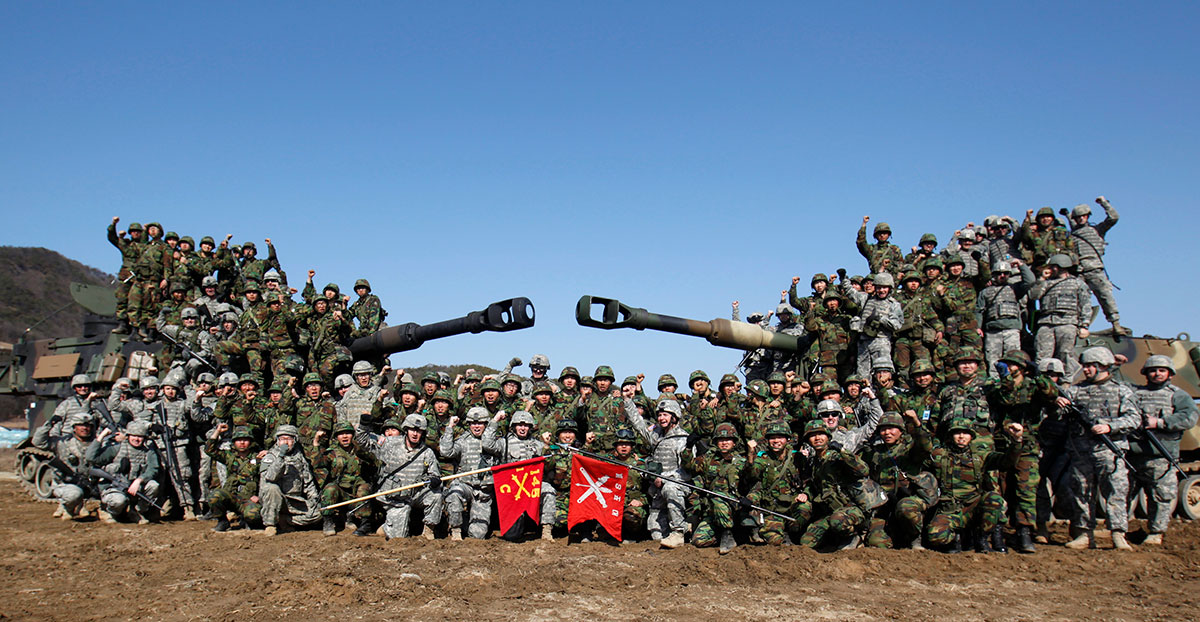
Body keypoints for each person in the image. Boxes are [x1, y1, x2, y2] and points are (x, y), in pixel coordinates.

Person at [1057, 346, 1141, 550]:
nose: (1085, 370)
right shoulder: (1075, 391)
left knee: (1116, 492)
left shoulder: (1121, 390)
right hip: (1080, 451)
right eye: (1084, 366)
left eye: (1090, 366)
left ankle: (1118, 534)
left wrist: (1110, 426)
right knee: (1081, 492)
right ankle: (1085, 534)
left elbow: (1134, 418)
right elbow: (1061, 418)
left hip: (1110, 452)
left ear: (1102, 367)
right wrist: (1060, 405)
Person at [1129, 355, 1199, 545]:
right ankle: (1119, 530)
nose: (1157, 373)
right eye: (1153, 370)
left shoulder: (1178, 395)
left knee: (1161, 496)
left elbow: (1189, 417)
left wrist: (1160, 422)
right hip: (1132, 454)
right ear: (1146, 373)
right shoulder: (1134, 393)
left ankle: (1156, 532)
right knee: (1121, 495)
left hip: (1161, 454)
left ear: (1169, 373)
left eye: (1162, 370)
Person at [355, 415, 443, 540]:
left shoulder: (427, 452)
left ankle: (429, 529)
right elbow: (363, 440)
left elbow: (435, 474)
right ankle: (386, 528)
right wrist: (363, 425)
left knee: (436, 495)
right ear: (406, 429)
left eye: (419, 431)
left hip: (414, 494)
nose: (415, 434)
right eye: (412, 430)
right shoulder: (390, 443)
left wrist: (434, 480)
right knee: (398, 538)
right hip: (394, 498)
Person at [623, 398, 692, 548]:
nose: (661, 418)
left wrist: (665, 478)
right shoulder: (656, 435)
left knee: (670, 489)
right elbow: (639, 425)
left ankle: (679, 531)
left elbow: (686, 472)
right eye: (659, 415)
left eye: (665, 415)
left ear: (674, 417)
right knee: (656, 535)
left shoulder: (683, 439)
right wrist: (628, 400)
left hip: (676, 485)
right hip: (657, 490)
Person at [685, 422, 747, 554]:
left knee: (719, 496)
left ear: (734, 442)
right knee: (698, 541)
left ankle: (728, 534)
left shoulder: (742, 462)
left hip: (733, 508)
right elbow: (689, 466)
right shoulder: (708, 459)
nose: (724, 443)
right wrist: (688, 448)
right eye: (720, 440)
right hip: (713, 510)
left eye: (728, 439)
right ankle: (723, 533)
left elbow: (753, 482)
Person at [1067, 196, 1126, 335]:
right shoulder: (1071, 236)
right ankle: (1082, 326)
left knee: (1105, 296)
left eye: (1083, 216)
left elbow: (1114, 218)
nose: (1081, 219)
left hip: (1095, 269)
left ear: (1087, 216)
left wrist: (1103, 203)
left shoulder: (1097, 230)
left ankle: (1115, 323)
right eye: (1078, 217)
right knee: (1080, 302)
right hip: (1079, 272)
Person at [1029, 254, 1091, 379]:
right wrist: (1041, 279)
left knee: (1065, 355)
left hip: (1067, 323)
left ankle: (1066, 382)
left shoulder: (1077, 284)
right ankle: (1041, 382)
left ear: (1059, 266)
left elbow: (1085, 305)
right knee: (1042, 355)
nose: (1050, 269)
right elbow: (1033, 296)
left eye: (1052, 267)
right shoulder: (1046, 283)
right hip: (1046, 323)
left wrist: (1084, 325)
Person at [439, 407, 497, 541]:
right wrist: (449, 428)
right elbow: (446, 452)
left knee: (477, 535)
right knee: (454, 493)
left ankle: (466, 520)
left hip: (483, 492)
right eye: (473, 423)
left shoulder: (494, 441)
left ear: (486, 424)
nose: (476, 426)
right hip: (465, 486)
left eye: (480, 423)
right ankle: (456, 529)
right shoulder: (463, 440)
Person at [87, 421, 161, 524]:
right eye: (133, 436)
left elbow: (153, 469)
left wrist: (139, 480)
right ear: (128, 436)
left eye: (140, 436)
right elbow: (91, 458)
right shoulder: (117, 448)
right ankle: (108, 511)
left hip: (135, 489)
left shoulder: (148, 452)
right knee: (118, 501)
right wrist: (102, 436)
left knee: (153, 485)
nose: (136, 439)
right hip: (115, 487)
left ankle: (135, 511)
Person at [259, 424, 322, 536]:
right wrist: (281, 457)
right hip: (275, 500)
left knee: (319, 513)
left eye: (289, 439)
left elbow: (308, 482)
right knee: (271, 488)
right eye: (282, 439)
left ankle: (286, 521)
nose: (286, 442)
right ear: (277, 440)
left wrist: (314, 499)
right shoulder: (270, 457)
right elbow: (270, 477)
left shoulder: (299, 458)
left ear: (295, 440)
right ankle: (270, 524)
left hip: (294, 501)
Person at [32, 413, 97, 519]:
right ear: (74, 427)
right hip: (66, 483)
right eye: (80, 425)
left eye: (88, 425)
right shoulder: (62, 442)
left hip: (89, 484)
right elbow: (38, 442)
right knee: (74, 495)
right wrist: (48, 425)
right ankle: (67, 507)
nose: (84, 428)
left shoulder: (97, 444)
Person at [315, 422, 373, 536]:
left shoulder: (361, 451)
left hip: (357, 493)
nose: (345, 436)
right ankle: (328, 521)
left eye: (348, 433)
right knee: (330, 489)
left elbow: (374, 465)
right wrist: (316, 443)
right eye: (341, 434)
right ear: (337, 437)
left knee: (365, 488)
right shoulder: (331, 453)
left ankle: (363, 523)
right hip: (340, 493)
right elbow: (318, 466)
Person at [205, 424, 262, 532]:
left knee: (253, 515)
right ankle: (222, 521)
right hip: (232, 496)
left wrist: (259, 496)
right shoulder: (229, 456)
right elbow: (209, 450)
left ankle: (246, 521)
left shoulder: (258, 457)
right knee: (214, 496)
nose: (242, 443)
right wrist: (218, 431)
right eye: (239, 440)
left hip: (249, 498)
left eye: (245, 440)